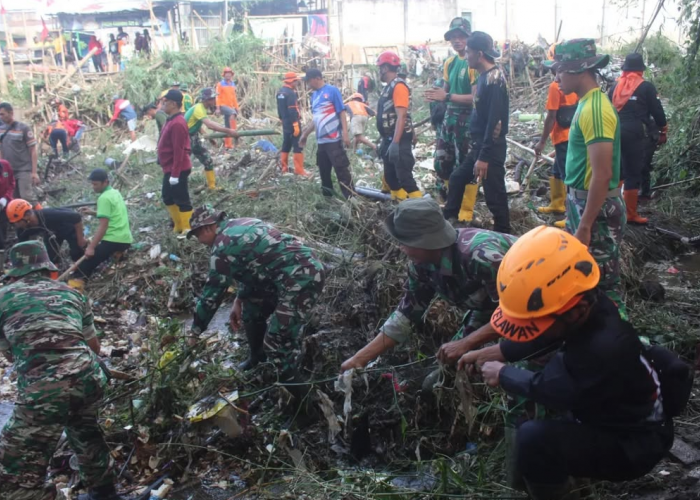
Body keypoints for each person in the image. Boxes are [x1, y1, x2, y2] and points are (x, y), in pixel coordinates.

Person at [458, 226, 674, 500]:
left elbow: (555, 391)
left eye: (537, 322)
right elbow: (548, 332)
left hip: (633, 445)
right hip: (618, 413)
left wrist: (503, 374)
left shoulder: (602, 347)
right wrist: (500, 351)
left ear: (577, 310)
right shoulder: (592, 305)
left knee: (534, 438)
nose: (534, 328)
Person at [0, 240, 126, 500]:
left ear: (15, 272)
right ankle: (105, 492)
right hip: (89, 377)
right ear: (47, 268)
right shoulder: (73, 293)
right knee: (84, 430)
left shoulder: (3, 298)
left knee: (13, 464)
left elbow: (10, 353)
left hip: (44, 390)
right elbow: (94, 346)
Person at [340, 198, 517, 372]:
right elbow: (406, 315)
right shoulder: (421, 265)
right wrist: (359, 359)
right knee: (451, 362)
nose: (401, 248)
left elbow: (518, 315)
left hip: (533, 308)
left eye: (404, 243)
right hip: (491, 306)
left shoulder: (482, 257)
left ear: (425, 242)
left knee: (520, 370)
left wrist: (467, 343)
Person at [186, 206, 325, 400]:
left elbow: (212, 295)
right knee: (251, 310)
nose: (200, 242)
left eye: (197, 236)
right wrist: (239, 299)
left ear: (206, 229)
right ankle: (257, 357)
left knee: (276, 345)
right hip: (289, 273)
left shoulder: (221, 247)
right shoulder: (242, 223)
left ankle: (309, 405)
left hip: (301, 280)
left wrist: (195, 331)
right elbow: (253, 267)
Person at [550, 39, 626, 317]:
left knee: (603, 283)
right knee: (586, 277)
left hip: (596, 208)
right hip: (582, 202)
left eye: (560, 69)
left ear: (579, 70)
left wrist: (585, 225)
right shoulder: (587, 103)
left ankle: (621, 343)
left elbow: (603, 173)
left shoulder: (595, 109)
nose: (556, 77)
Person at [443, 32, 511, 234]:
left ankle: (505, 235)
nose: (466, 56)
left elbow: (494, 122)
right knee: (456, 179)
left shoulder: (495, 80)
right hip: (479, 146)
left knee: (494, 196)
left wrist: (484, 157)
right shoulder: (484, 77)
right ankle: (448, 225)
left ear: (479, 54)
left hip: (490, 149)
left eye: (469, 52)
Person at [609, 52, 667, 224]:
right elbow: (657, 111)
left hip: (614, 131)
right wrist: (663, 129)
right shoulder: (646, 87)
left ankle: (613, 209)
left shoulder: (614, 86)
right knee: (633, 171)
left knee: (617, 170)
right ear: (641, 69)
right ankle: (630, 214)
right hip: (635, 132)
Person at [425, 18, 477, 202]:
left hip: (467, 118)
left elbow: (475, 99)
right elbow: (444, 91)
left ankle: (466, 209)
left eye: (461, 36)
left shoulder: (473, 64)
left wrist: (446, 97)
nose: (457, 40)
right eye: (453, 37)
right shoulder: (450, 62)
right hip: (449, 117)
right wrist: (435, 97)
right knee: (442, 161)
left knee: (465, 163)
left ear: (469, 37)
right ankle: (448, 200)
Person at [535, 45, 579, 228]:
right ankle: (557, 203)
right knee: (557, 170)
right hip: (573, 134)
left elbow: (551, 116)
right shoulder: (576, 84)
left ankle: (571, 214)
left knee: (567, 174)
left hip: (562, 136)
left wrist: (542, 141)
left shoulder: (555, 87)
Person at [68, 169, 133, 292]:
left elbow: (103, 226)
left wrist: (91, 247)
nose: (93, 187)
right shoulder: (115, 192)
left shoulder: (103, 198)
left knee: (84, 266)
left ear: (105, 182)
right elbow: (113, 213)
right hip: (125, 238)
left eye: (96, 184)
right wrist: (93, 212)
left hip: (113, 239)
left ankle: (74, 292)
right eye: (92, 184)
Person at [299, 69, 354, 199]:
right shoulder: (314, 96)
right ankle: (328, 199)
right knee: (324, 172)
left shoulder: (332, 91)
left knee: (341, 170)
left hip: (334, 139)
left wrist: (345, 134)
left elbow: (341, 112)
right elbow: (316, 119)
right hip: (321, 142)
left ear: (316, 78)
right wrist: (305, 134)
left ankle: (351, 198)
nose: (307, 85)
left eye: (308, 81)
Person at [374, 51, 419, 200]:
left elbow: (402, 116)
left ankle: (421, 212)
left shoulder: (398, 86)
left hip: (398, 139)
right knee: (391, 178)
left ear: (385, 68)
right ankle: (402, 210)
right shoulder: (388, 87)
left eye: (380, 67)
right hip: (389, 138)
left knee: (405, 178)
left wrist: (396, 142)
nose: (379, 71)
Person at [184, 87, 239, 190]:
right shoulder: (199, 108)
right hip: (185, 139)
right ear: (207, 100)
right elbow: (210, 125)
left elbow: (197, 124)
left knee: (207, 159)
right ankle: (180, 188)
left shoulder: (200, 108)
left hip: (192, 137)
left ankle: (212, 186)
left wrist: (209, 137)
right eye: (213, 99)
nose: (215, 101)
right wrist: (229, 131)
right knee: (183, 166)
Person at [8, 198, 87, 265]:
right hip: (51, 233)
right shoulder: (22, 229)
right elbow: (23, 247)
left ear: (27, 216)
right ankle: (54, 273)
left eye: (18, 222)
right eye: (14, 223)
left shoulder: (49, 215)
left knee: (76, 253)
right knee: (51, 257)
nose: (16, 225)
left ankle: (80, 272)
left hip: (68, 228)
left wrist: (81, 239)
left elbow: (76, 217)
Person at [158, 90, 193, 234]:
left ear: (173, 104)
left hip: (177, 168)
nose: (163, 104)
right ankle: (178, 225)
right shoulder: (170, 119)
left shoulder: (178, 123)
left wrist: (175, 174)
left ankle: (187, 227)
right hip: (170, 167)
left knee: (181, 197)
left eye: (165, 102)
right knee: (167, 196)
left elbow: (179, 150)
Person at [0, 102, 40, 204]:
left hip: (23, 170)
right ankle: (20, 220)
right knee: (14, 200)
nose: (1, 117)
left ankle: (40, 217)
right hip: (8, 171)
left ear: (11, 113)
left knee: (27, 197)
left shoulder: (23, 128)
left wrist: (34, 172)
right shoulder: (1, 130)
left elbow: (33, 150)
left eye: (2, 114)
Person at [276, 72, 309, 175]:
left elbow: (279, 109)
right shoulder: (290, 93)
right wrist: (295, 124)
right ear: (292, 81)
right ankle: (299, 170)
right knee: (297, 145)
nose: (297, 83)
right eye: (296, 81)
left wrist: (282, 119)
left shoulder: (280, 92)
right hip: (292, 122)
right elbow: (292, 110)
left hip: (285, 123)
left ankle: (284, 168)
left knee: (286, 144)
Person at [216, 67, 240, 149]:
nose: (228, 75)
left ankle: (228, 145)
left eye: (229, 74)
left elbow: (234, 97)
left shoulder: (232, 84)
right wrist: (218, 108)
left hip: (230, 107)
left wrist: (236, 107)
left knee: (227, 126)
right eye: (226, 74)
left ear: (231, 75)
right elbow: (217, 97)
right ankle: (234, 134)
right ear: (224, 75)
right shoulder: (220, 84)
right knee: (233, 114)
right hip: (222, 106)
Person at [0, 159, 15, 270]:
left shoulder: (5, 165)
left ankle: (2, 263)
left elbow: (11, 183)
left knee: (3, 232)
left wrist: (5, 198)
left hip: (3, 205)